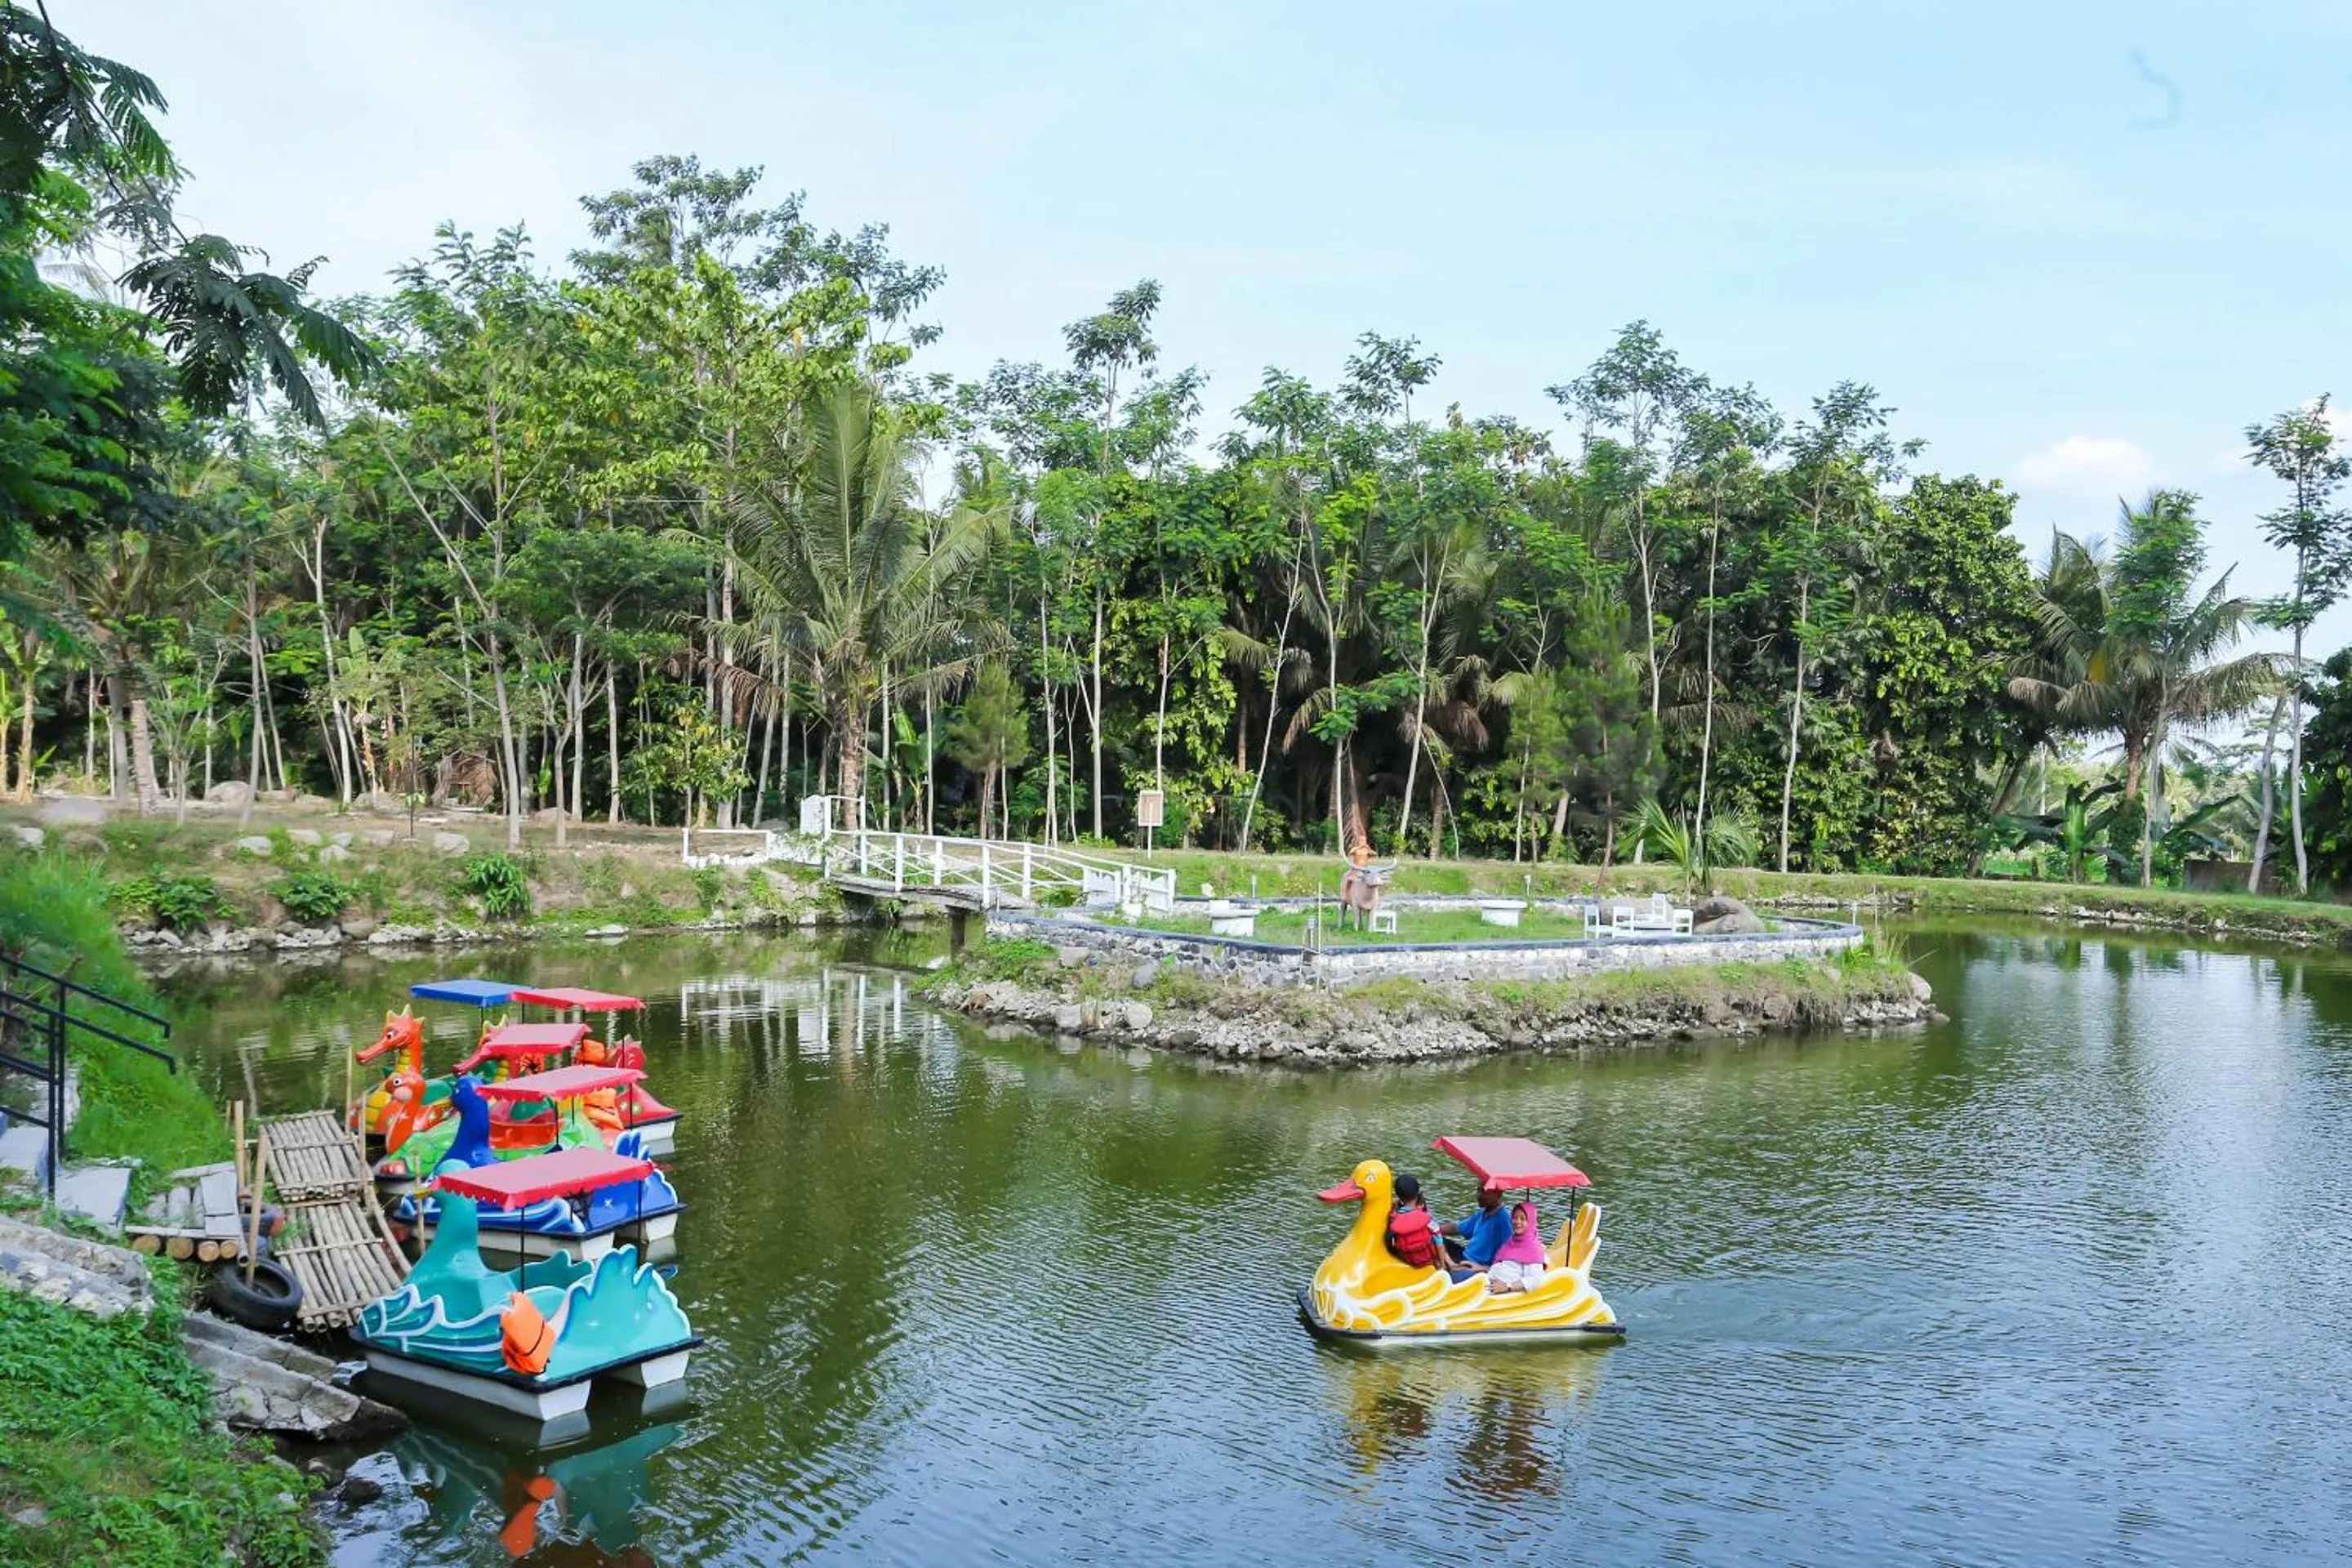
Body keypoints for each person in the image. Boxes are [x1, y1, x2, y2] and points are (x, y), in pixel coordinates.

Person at [1437, 1182, 1512, 1280]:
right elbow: (1457, 1227)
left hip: (1477, 1266)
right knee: (1434, 1241)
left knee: (1455, 1278)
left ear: (1498, 1194)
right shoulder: (1482, 1213)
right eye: (1478, 1190)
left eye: (1483, 1191)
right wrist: (1434, 1229)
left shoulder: (1503, 1218)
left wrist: (1485, 1269)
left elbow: (1508, 1254)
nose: (1478, 1195)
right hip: (1465, 1257)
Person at [1486, 1200, 1548, 1294]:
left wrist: (1507, 1287)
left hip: (1504, 1293)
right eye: (1515, 1218)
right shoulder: (1512, 1241)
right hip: (1489, 1285)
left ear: (1530, 1221)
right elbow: (1502, 1266)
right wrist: (1480, 1268)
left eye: (1523, 1219)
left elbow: (1535, 1280)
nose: (1517, 1222)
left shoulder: (1533, 1248)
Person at [1383, 1173, 1442, 1271]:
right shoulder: (1427, 1218)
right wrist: (1442, 1266)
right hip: (1430, 1265)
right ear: (1417, 1192)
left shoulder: (1394, 1219)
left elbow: (1389, 1241)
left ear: (1398, 1195)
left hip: (1408, 1265)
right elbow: (1439, 1244)